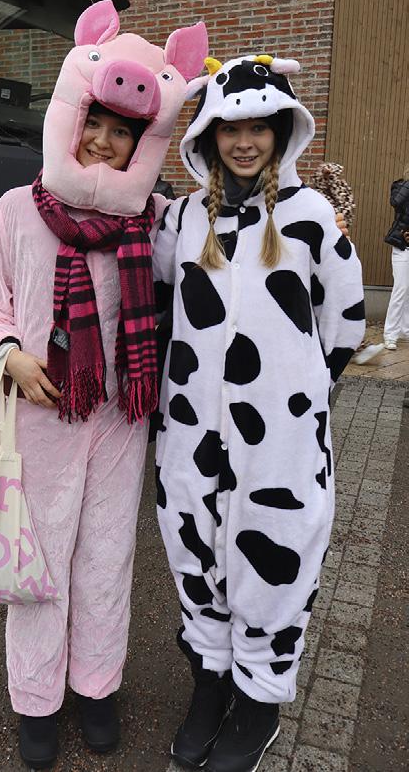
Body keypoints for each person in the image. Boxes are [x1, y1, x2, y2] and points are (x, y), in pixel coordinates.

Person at [0, 0, 207, 770]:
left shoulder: (154, 219)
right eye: (94, 123)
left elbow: (217, 237)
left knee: (106, 557)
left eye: (122, 131)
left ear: (142, 141)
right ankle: (36, 697)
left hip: (118, 417)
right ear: (72, 119)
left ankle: (96, 686)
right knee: (38, 560)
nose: (104, 140)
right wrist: (8, 352)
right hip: (43, 414)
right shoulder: (17, 211)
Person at [152, 54, 365, 772]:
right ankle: (210, 684)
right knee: (195, 548)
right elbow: (158, 299)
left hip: (279, 441)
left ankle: (260, 700)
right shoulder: (184, 219)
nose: (244, 142)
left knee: (272, 557)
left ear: (281, 131)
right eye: (229, 128)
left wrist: (293, 398)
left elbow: (344, 323)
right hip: (189, 432)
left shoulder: (309, 218)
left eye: (259, 128)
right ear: (209, 135)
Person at [383, 165, 409, 350]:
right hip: (402, 246)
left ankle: (405, 331)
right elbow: (396, 202)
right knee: (401, 289)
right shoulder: (401, 187)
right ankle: (390, 334)